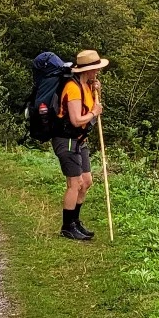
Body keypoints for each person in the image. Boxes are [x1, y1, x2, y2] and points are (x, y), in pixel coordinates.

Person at [53, 49, 108, 241]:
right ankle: (67, 226)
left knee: (86, 181)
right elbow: (76, 120)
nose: (97, 72)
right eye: (95, 69)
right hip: (66, 139)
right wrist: (94, 112)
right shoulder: (73, 88)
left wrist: (96, 93)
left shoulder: (88, 86)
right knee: (74, 184)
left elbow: (89, 111)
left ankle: (75, 222)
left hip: (79, 140)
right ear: (87, 70)